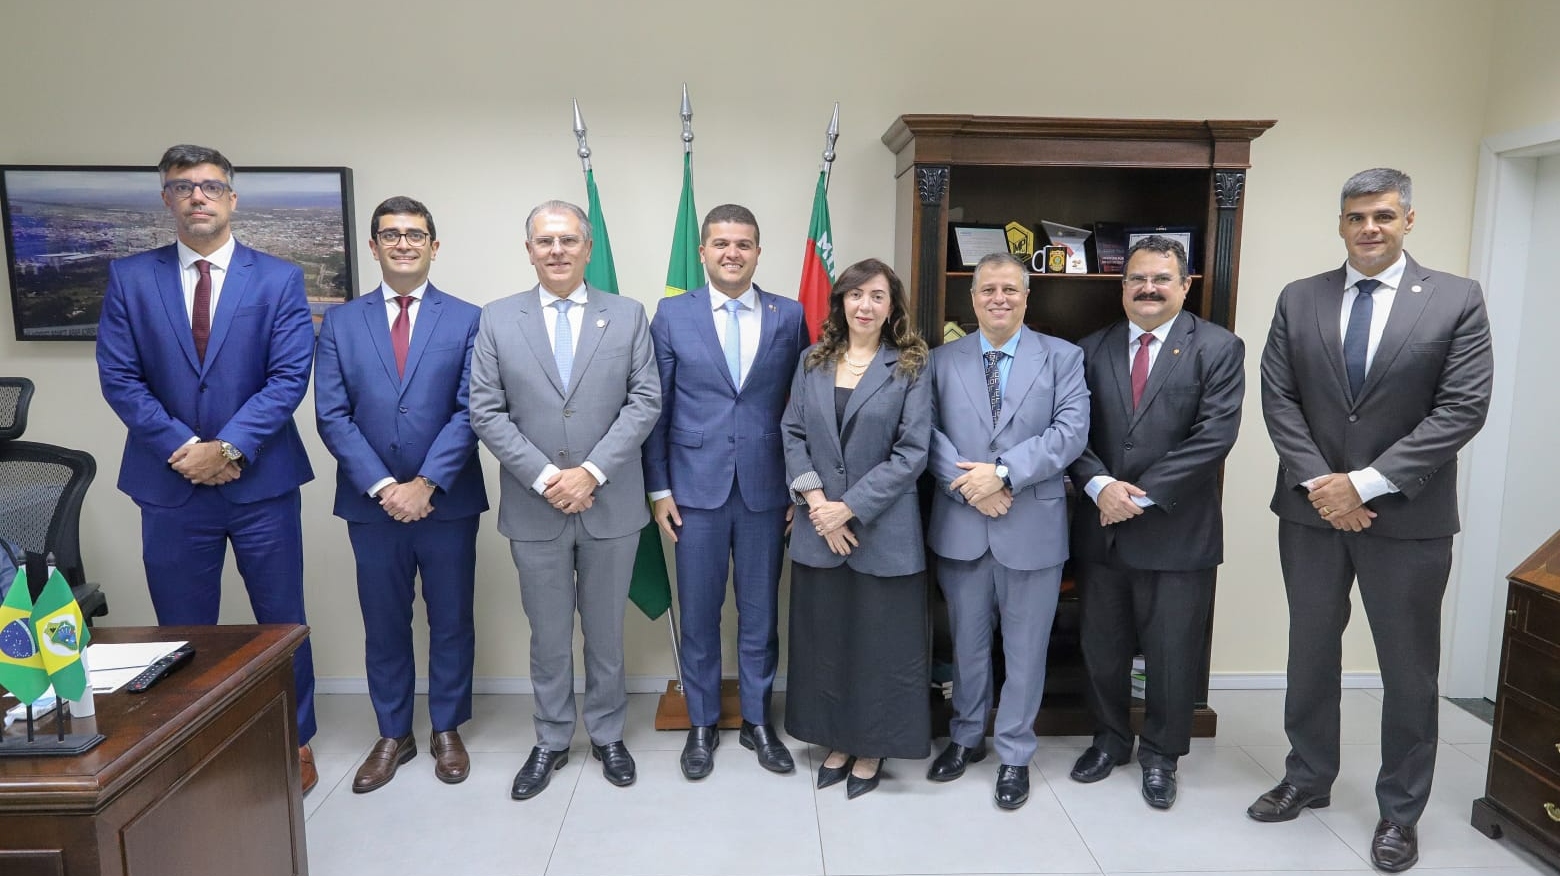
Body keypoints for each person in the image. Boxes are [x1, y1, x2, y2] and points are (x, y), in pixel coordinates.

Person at [1252, 168, 1493, 872]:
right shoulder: (1300, 298)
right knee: (1310, 651)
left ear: (1408, 220)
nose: (1369, 228)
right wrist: (1323, 486)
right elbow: (1279, 398)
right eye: (1356, 216)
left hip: (1409, 517)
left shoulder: (1455, 299)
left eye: (1384, 215)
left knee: (1408, 669)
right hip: (1311, 513)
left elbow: (1462, 408)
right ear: (1340, 223)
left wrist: (1361, 484)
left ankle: (1400, 811)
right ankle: (1307, 776)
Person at [96, 144, 320, 793]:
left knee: (282, 621)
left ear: (232, 198)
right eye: (184, 186)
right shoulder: (130, 278)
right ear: (166, 199)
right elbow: (120, 378)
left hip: (262, 484)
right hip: (169, 486)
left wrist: (226, 449)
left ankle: (295, 740)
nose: (198, 196)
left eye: (211, 186)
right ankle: (194, 746)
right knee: (183, 629)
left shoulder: (277, 279)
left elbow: (288, 378)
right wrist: (186, 448)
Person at [469, 200, 661, 800]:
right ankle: (551, 738)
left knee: (605, 633)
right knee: (548, 636)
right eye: (545, 241)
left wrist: (592, 473)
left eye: (568, 240)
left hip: (611, 504)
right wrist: (549, 477)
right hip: (536, 506)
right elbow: (486, 411)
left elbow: (645, 401)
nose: (557, 250)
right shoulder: (498, 319)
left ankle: (607, 734)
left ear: (588, 248)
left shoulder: (627, 315)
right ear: (529, 250)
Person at [315, 196, 487, 792]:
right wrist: (388, 487)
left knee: (451, 618)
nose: (404, 244)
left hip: (448, 501)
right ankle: (394, 733)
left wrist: (426, 483)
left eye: (415, 234)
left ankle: (446, 728)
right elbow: (332, 415)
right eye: (391, 235)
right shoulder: (341, 323)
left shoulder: (468, 319)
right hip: (372, 505)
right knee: (383, 621)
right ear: (374, 246)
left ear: (434, 246)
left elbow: (472, 410)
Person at [1065, 236, 1244, 809]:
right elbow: (1070, 430)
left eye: (1161, 278)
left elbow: (1214, 436)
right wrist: (1099, 485)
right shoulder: (1089, 349)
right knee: (1103, 647)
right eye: (1137, 278)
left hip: (1177, 532)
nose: (1149, 288)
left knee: (1171, 652)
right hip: (1102, 528)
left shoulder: (1218, 347)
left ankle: (1163, 754)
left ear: (1185, 285)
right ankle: (1110, 740)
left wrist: (1138, 496)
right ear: (1122, 287)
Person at [643, 204, 808, 780]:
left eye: (743, 244)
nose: (732, 253)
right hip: (693, 490)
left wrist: (801, 486)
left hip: (768, 489)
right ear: (703, 252)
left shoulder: (790, 315)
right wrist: (658, 487)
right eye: (721, 243)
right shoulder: (671, 314)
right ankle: (702, 723)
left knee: (761, 614)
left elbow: (803, 406)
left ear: (758, 252)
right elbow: (656, 407)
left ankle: (759, 722)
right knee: (700, 614)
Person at [925, 251, 1089, 811]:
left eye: (1010, 290)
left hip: (1032, 527)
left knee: (1026, 651)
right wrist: (969, 487)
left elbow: (1070, 432)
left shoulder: (1063, 357)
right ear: (972, 299)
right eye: (988, 290)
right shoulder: (941, 360)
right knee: (967, 646)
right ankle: (966, 737)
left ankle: (1015, 753)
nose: (999, 299)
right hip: (962, 525)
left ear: (1026, 297)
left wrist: (1000, 474)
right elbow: (926, 433)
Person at [781, 258, 931, 799]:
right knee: (827, 643)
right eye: (855, 295)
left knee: (878, 646)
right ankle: (836, 740)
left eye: (877, 296)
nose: (864, 305)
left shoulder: (911, 363)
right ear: (841, 302)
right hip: (818, 528)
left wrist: (847, 509)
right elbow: (792, 432)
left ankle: (871, 747)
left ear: (892, 307)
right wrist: (819, 504)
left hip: (883, 532)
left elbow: (912, 451)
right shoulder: (812, 360)